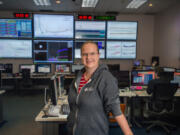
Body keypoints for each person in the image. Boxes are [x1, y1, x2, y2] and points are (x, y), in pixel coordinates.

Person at [67, 41, 133, 135]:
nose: (88, 57)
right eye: (85, 54)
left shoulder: (106, 78)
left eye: (92, 53)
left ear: (98, 55)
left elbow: (115, 109)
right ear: (81, 56)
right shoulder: (77, 78)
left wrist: (128, 133)